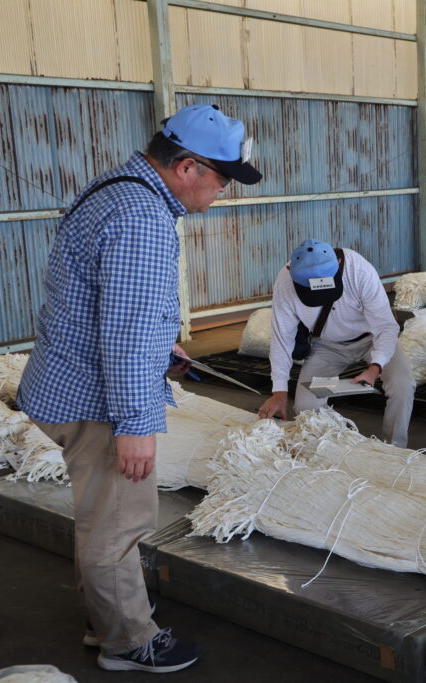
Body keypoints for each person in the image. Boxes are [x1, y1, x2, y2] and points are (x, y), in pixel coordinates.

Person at [17, 104, 262, 672]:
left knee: (102, 517)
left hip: (66, 381)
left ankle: (105, 617)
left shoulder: (118, 187)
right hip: (96, 403)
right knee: (119, 524)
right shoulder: (143, 218)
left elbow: (115, 307)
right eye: (223, 178)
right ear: (189, 168)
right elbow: (126, 333)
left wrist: (161, 346)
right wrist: (135, 425)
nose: (224, 191)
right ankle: (126, 641)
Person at [258, 239, 416, 447]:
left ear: (339, 261)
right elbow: (282, 337)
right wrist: (279, 392)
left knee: (403, 385)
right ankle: (328, 450)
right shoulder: (286, 280)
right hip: (327, 346)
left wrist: (375, 367)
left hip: (371, 339)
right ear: (290, 269)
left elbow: (386, 327)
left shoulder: (359, 271)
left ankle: (394, 449)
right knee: (306, 405)